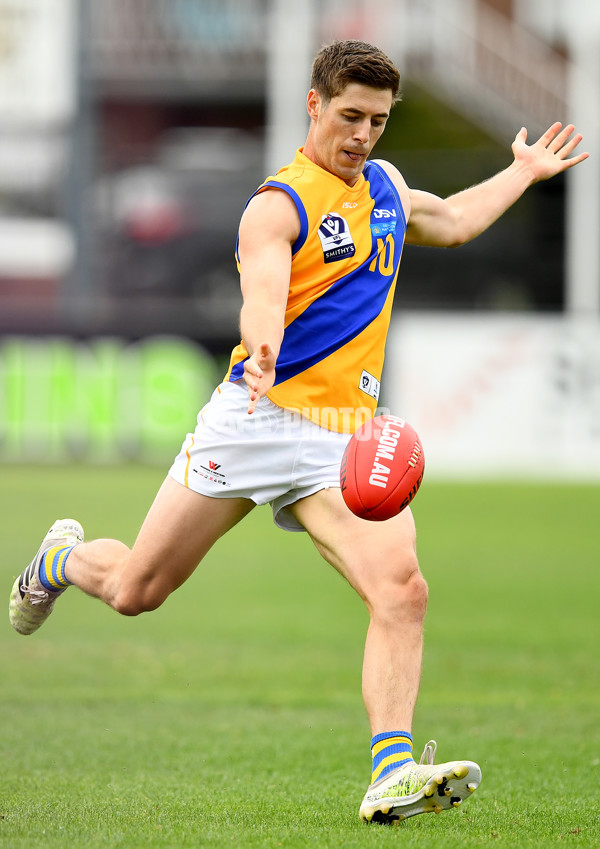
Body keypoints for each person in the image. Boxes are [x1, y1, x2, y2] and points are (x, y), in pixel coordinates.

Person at [10, 40, 588, 825]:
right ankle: (61, 557)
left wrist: (521, 172)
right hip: (253, 419)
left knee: (402, 590)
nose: (363, 134)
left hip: (342, 435)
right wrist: (264, 337)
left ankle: (390, 772)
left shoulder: (384, 185)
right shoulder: (278, 204)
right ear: (315, 105)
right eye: (350, 115)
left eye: (379, 120)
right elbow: (262, 287)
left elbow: (449, 222)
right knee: (137, 590)